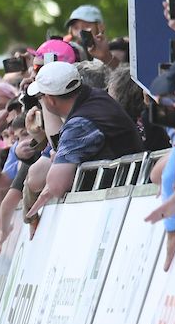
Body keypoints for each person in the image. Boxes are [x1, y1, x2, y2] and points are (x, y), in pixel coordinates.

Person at [25, 61, 145, 218]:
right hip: (126, 197)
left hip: (120, 206)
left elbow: (56, 186)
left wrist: (57, 160)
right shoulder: (96, 97)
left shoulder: (80, 124)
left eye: (41, 97)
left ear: (51, 100)